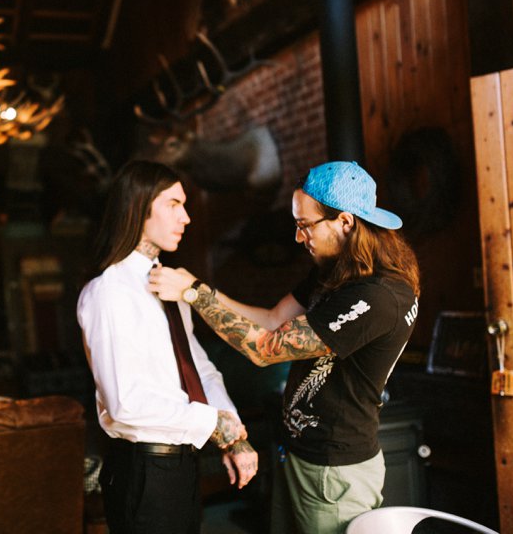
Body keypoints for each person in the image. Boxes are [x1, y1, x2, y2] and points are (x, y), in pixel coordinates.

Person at [150, 161, 421, 534]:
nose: (298, 237)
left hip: (333, 472)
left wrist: (193, 295)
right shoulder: (337, 272)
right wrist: (200, 288)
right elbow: (274, 318)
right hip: (300, 455)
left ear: (345, 222)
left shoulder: (378, 296)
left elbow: (265, 347)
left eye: (305, 225)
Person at [78, 161, 257, 534]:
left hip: (182, 466)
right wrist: (213, 424)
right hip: (143, 472)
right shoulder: (109, 292)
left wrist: (233, 434)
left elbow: (198, 368)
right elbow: (125, 402)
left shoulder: (170, 285)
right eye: (174, 204)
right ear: (140, 208)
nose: (186, 217)